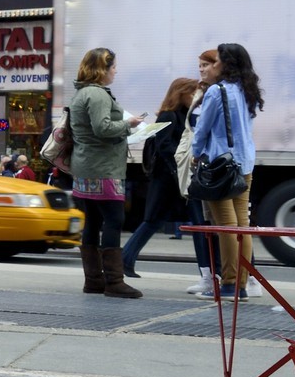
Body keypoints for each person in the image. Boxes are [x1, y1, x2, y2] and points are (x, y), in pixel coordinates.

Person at [67, 48, 145, 299]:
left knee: (92, 221)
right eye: (113, 67)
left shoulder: (81, 93)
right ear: (102, 69)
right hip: (104, 169)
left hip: (85, 166)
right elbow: (102, 128)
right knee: (113, 219)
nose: (116, 71)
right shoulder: (98, 95)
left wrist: (126, 129)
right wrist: (129, 124)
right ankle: (114, 281)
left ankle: (93, 280)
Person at [190, 43, 264, 300]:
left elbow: (202, 130)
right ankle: (242, 284)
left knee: (226, 226)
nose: (215, 63)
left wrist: (195, 153)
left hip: (219, 165)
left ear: (227, 63)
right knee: (242, 224)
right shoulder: (247, 90)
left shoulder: (216, 91)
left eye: (219, 59)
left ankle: (231, 284)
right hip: (244, 163)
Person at [120, 77, 199, 279]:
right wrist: (183, 161)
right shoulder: (169, 115)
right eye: (192, 93)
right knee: (153, 220)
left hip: (172, 178)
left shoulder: (182, 115)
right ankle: (125, 259)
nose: (195, 97)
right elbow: (164, 147)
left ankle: (126, 259)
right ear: (181, 93)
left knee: (156, 221)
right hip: (167, 178)